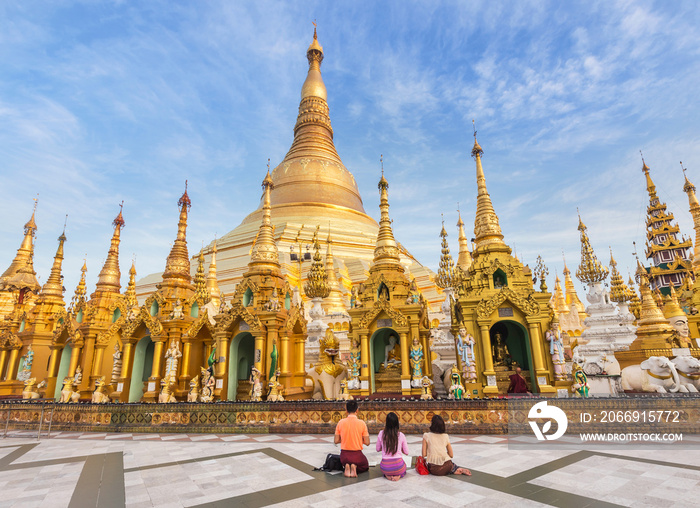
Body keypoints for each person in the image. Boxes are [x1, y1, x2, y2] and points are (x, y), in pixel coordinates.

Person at [334, 399, 370, 477]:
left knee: (346, 461)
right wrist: (358, 439)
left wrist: (345, 438)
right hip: (357, 456)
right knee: (365, 466)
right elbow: (367, 442)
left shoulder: (340, 422)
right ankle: (354, 466)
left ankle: (346, 466)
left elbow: (336, 441)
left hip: (344, 456)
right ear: (357, 410)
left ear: (346, 411)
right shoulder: (362, 423)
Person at [376, 412, 409, 481]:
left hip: (385, 467)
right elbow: (406, 452)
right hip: (398, 466)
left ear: (386, 423)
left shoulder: (381, 433)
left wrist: (384, 446)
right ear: (397, 423)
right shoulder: (401, 435)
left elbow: (377, 449)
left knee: (386, 469)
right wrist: (400, 448)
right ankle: (399, 475)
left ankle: (387, 475)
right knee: (404, 466)